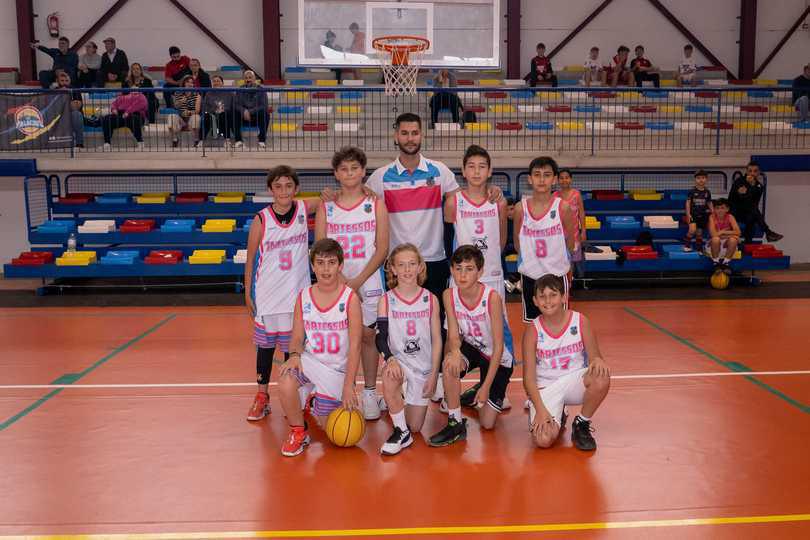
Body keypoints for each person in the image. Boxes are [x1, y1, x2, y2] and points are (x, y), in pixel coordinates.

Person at [315, 146, 390, 421]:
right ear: (336, 174)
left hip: (369, 279)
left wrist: (357, 281)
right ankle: (333, 391)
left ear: (363, 172)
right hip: (335, 281)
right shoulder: (327, 206)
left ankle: (370, 392)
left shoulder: (376, 203)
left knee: (369, 337)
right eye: (344, 169)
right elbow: (320, 248)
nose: (350, 173)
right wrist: (344, 282)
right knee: (339, 338)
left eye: (355, 168)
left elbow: (382, 248)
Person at [277, 238, 363, 457]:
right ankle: (298, 432)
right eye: (321, 262)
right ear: (313, 265)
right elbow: (296, 337)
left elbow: (355, 346)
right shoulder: (303, 296)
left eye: (331, 262)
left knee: (334, 432)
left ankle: (313, 396)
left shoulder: (350, 298)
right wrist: (295, 355)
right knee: (286, 378)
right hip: (311, 361)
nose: (326, 269)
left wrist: (348, 385)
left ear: (340, 266)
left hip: (337, 371)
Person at [443, 145, 515, 408]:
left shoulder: (499, 201)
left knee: (495, 333)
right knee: (457, 332)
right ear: (463, 171)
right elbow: (449, 238)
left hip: (491, 274)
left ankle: (494, 388)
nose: (476, 171)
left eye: (481, 166)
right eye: (471, 166)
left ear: (490, 171)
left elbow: (502, 240)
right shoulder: (454, 202)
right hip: (462, 277)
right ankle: (450, 389)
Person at [244, 166, 315, 423]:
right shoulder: (261, 219)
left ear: (296, 189)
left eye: (288, 186)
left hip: (295, 296)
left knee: (293, 349)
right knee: (265, 347)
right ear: (271, 190)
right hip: (267, 295)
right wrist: (247, 293)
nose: (283, 191)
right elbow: (251, 258)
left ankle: (291, 396)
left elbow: (334, 197)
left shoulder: (303, 209)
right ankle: (262, 396)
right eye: (278, 186)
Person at [428, 245, 514, 447]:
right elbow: (453, 335)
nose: (463, 274)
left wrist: (485, 388)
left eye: (469, 269)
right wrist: (456, 352)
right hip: (472, 347)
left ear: (480, 272)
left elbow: (500, 347)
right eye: (458, 268)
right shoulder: (449, 295)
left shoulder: (491, 298)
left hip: (498, 356)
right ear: (451, 270)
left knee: (487, 423)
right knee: (449, 363)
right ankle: (455, 423)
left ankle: (478, 388)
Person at [522, 274, 610, 451]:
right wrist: (540, 410)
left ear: (564, 296)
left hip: (575, 381)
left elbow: (595, 357)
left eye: (553, 295)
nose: (548, 300)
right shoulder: (532, 330)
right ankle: (558, 414)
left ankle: (581, 424)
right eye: (542, 296)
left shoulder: (580, 321)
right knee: (544, 440)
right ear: (535, 301)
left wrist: (598, 360)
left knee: (600, 376)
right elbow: (529, 380)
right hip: (546, 388)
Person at [376, 244, 442, 455]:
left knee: (416, 426)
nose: (407, 270)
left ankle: (397, 408)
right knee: (389, 374)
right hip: (400, 362)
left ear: (420, 267)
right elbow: (381, 336)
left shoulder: (430, 299)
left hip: (422, 368)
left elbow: (437, 340)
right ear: (393, 269)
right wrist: (389, 358)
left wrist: (434, 374)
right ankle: (400, 430)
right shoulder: (386, 299)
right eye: (401, 265)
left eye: (412, 264)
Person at [513, 156, 577, 322]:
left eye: (547, 175)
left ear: (554, 179)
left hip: (556, 274)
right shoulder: (521, 209)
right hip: (530, 275)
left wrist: (559, 261)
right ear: (529, 178)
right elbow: (517, 241)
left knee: (559, 323)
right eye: (537, 174)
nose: (542, 179)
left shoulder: (563, 208)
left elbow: (570, 243)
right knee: (532, 325)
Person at [728, 161, 783, 243]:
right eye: (750, 171)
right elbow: (743, 199)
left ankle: (748, 243)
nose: (752, 173)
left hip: (748, 212)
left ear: (759, 172)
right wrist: (751, 186)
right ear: (746, 172)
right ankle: (768, 232)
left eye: (755, 171)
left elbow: (754, 202)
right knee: (753, 211)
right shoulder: (739, 182)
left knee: (752, 215)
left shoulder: (759, 186)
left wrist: (752, 185)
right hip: (734, 212)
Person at [555, 169, 586, 279]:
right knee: (560, 260)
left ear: (571, 179)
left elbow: (581, 213)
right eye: (561, 178)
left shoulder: (576, 194)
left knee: (572, 261)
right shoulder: (555, 196)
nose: (564, 180)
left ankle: (569, 284)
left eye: (567, 177)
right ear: (557, 180)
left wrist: (583, 231)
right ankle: (561, 285)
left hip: (574, 234)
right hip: (559, 234)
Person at [233, 70, 269, 149]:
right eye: (246, 78)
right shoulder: (240, 89)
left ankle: (261, 141)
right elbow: (236, 104)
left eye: (250, 77)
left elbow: (263, 105)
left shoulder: (261, 89)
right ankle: (238, 140)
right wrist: (244, 111)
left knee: (265, 113)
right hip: (243, 117)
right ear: (244, 79)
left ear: (254, 79)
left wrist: (249, 111)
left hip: (256, 116)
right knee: (234, 112)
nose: (248, 79)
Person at [168, 75, 201, 148]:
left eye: (191, 83)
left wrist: (189, 112)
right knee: (171, 116)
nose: (190, 84)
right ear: (183, 83)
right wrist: (180, 102)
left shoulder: (197, 95)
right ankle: (175, 140)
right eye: (188, 82)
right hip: (181, 119)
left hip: (191, 118)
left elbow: (197, 110)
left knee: (196, 117)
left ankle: (196, 140)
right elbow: (176, 107)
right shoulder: (178, 93)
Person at [683, 170, 712, 252]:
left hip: (703, 215)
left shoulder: (707, 192)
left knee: (699, 233)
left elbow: (709, 202)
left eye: (703, 178)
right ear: (695, 179)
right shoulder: (692, 191)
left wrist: (713, 212)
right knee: (692, 230)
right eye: (698, 178)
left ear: (706, 179)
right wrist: (688, 214)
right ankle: (687, 245)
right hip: (693, 214)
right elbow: (688, 203)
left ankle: (699, 248)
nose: (701, 180)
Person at [199, 75, 234, 144]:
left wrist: (222, 110)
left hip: (224, 113)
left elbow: (231, 106)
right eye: (214, 81)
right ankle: (201, 140)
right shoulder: (208, 94)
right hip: (212, 114)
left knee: (224, 116)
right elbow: (205, 107)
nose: (216, 83)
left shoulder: (229, 93)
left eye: (218, 81)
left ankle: (227, 139)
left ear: (222, 83)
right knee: (206, 117)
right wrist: (214, 111)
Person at [708, 198, 740, 272]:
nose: (720, 210)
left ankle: (726, 263)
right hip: (714, 245)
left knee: (733, 240)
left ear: (727, 209)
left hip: (726, 244)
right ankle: (716, 263)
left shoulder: (730, 217)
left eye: (723, 208)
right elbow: (713, 235)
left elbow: (738, 232)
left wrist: (722, 233)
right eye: (717, 208)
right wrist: (724, 232)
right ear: (714, 209)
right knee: (716, 239)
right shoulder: (711, 217)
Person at [54, 71, 85, 148]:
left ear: (70, 81)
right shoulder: (53, 91)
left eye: (66, 81)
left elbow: (77, 106)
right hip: (57, 116)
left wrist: (66, 97)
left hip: (70, 116)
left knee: (76, 114)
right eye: (62, 81)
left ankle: (79, 144)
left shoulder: (75, 90)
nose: (64, 83)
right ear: (57, 81)